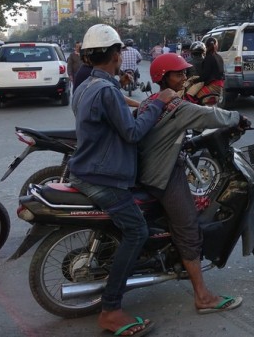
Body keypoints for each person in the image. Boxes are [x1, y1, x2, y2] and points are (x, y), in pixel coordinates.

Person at [68, 24, 177, 337]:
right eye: (118, 53)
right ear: (116, 55)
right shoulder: (105, 90)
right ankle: (111, 308)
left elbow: (113, 122)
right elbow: (131, 133)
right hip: (101, 177)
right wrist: (158, 102)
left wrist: (141, 104)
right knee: (137, 230)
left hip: (87, 167)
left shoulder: (87, 85)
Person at [136, 54, 244, 315]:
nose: (184, 78)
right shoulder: (178, 107)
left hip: (146, 170)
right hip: (163, 175)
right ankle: (203, 297)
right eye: (177, 74)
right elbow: (210, 116)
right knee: (189, 229)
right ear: (163, 78)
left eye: (185, 74)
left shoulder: (150, 102)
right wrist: (238, 117)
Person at [185, 37, 225, 105]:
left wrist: (194, 80)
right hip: (220, 86)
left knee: (190, 97)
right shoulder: (219, 57)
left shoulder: (208, 58)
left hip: (212, 85)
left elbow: (205, 75)